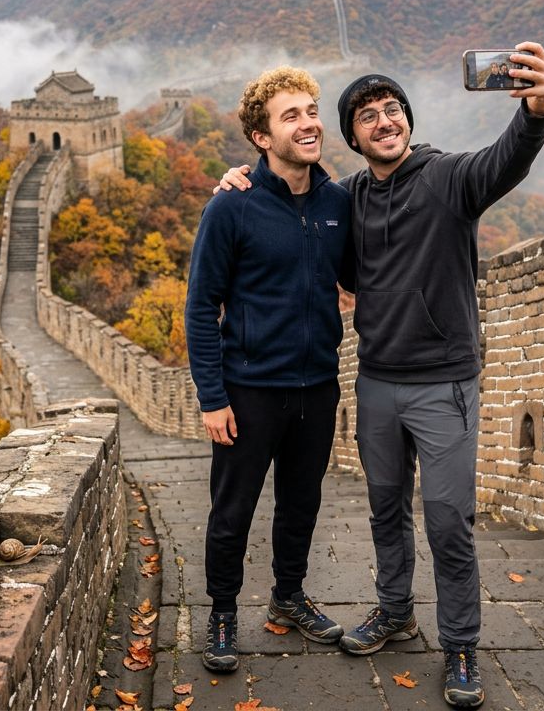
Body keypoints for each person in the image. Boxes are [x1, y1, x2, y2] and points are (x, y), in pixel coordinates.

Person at [216, 42, 544, 708]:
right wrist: (240, 180)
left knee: (448, 521)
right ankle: (395, 611)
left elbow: (508, 157)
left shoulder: (451, 178)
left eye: (392, 108)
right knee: (385, 510)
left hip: (444, 383)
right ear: (353, 137)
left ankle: (460, 646)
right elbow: (293, 199)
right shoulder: (347, 199)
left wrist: (537, 109)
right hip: (375, 382)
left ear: (407, 119)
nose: (384, 120)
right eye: (367, 115)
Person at [185, 66, 354, 673]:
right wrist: (212, 397)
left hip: (317, 386)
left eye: (311, 111)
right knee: (232, 511)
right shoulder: (232, 206)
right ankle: (222, 612)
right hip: (249, 389)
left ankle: (288, 597)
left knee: (301, 504)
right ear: (261, 137)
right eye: (291, 116)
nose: (308, 124)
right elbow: (201, 305)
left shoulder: (337, 202)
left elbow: (359, 275)